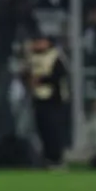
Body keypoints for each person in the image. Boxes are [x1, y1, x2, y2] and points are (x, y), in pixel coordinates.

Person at [25, 36, 69, 169]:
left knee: (53, 129)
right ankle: (47, 158)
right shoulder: (32, 57)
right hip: (38, 97)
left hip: (53, 99)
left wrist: (41, 80)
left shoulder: (56, 56)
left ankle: (57, 159)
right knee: (42, 129)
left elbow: (59, 75)